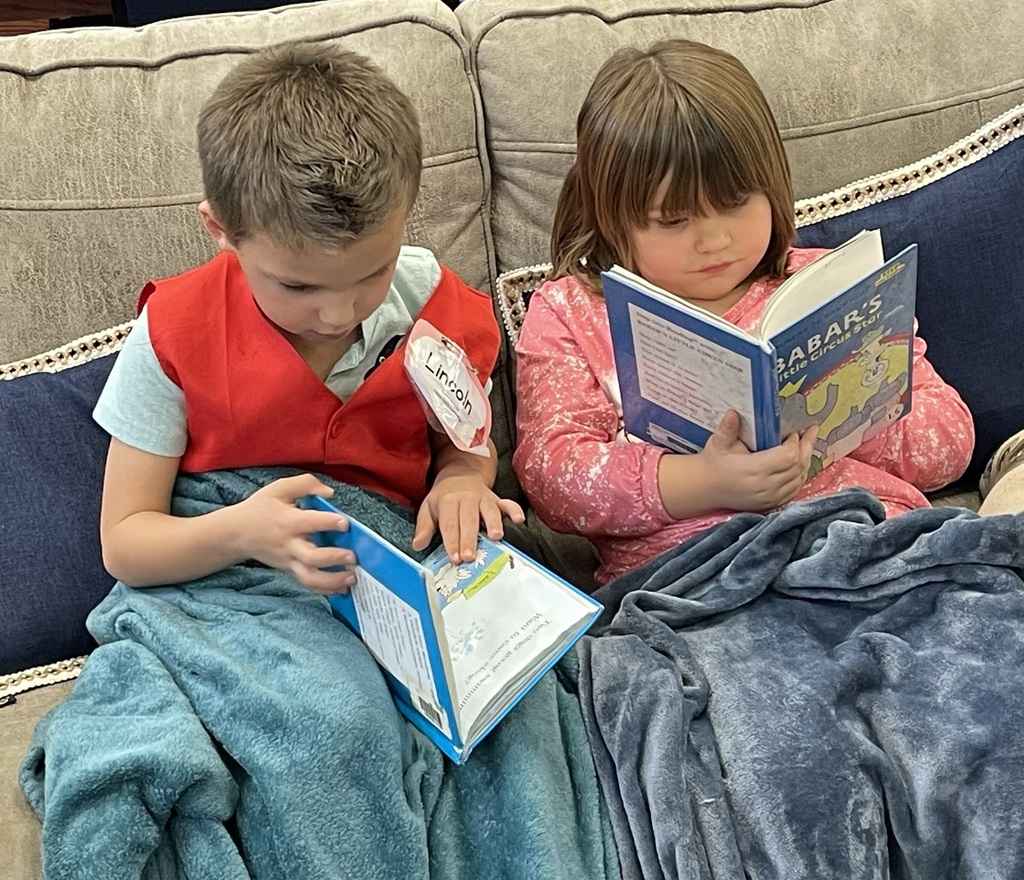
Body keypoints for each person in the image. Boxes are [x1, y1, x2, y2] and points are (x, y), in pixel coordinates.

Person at [512, 39, 974, 585]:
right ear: (613, 219)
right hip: (697, 572)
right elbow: (552, 474)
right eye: (673, 220)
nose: (714, 241)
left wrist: (845, 419)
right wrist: (699, 482)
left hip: (866, 539)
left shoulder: (828, 283)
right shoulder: (572, 312)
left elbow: (952, 442)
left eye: (735, 204)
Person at [94, 41, 523, 594]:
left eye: (374, 272)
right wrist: (239, 534)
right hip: (228, 571)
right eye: (297, 285)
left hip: (386, 570)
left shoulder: (435, 306)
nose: (339, 312)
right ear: (221, 229)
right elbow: (126, 543)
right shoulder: (174, 333)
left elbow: (464, 439)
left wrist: (462, 479)